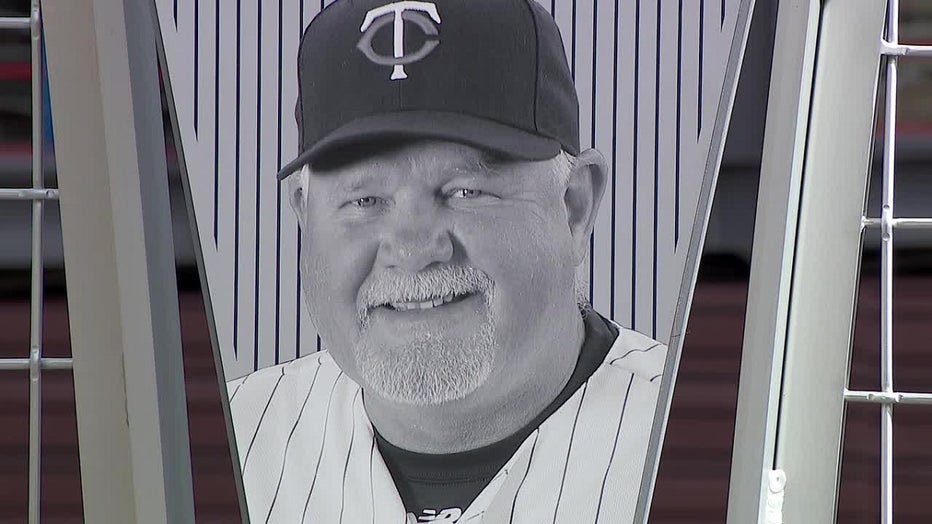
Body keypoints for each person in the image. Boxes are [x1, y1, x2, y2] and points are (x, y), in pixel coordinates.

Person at [228, 1, 666, 522]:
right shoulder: (220, 444)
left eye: (465, 191)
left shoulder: (722, 458)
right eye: (365, 200)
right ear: (305, 216)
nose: (413, 251)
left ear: (575, 207)